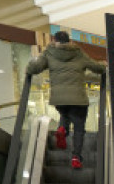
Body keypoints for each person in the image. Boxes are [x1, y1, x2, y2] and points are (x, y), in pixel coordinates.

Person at [26, 30, 105, 169]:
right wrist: (104, 67)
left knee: (64, 113)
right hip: (78, 99)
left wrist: (31, 64)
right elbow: (97, 68)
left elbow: (34, 68)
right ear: (69, 41)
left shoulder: (49, 52)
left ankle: (62, 129)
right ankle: (76, 157)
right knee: (79, 129)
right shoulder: (78, 52)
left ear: (54, 40)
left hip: (59, 99)